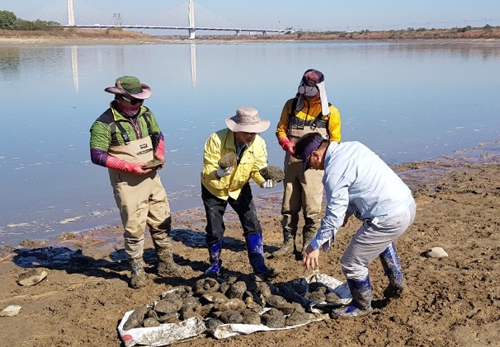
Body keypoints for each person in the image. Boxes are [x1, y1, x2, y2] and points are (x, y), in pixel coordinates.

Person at [295, 132, 416, 318]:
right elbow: (360, 183)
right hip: (407, 204)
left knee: (351, 262)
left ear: (315, 155)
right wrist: (349, 212)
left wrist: (315, 245)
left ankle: (361, 306)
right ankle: (397, 284)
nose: (314, 169)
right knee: (381, 240)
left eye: (309, 164)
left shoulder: (333, 172)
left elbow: (333, 215)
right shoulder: (353, 147)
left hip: (389, 218)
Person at [89, 76, 185, 289]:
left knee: (162, 219)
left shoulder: (145, 114)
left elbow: (158, 135)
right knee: (134, 227)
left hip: (152, 177)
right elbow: (97, 155)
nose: (139, 104)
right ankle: (137, 269)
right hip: (127, 183)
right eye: (134, 101)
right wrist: (128, 167)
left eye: (141, 100)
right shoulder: (103, 124)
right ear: (120, 97)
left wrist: (159, 154)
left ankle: (166, 262)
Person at [200, 106, 276, 279]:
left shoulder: (259, 144)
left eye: (254, 131)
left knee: (253, 224)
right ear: (236, 129)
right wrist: (217, 173)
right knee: (215, 229)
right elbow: (208, 167)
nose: (251, 135)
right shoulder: (216, 139)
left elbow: (258, 168)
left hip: (239, 186)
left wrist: (263, 182)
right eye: (247, 131)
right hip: (214, 188)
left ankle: (259, 266)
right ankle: (214, 264)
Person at [273, 69, 342, 258]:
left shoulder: (330, 112)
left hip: (314, 165)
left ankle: (307, 246)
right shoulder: (291, 105)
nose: (307, 96)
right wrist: (285, 143)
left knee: (312, 207)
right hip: (292, 162)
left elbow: (335, 142)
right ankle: (288, 245)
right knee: (289, 204)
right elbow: (280, 129)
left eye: (311, 91)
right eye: (304, 89)